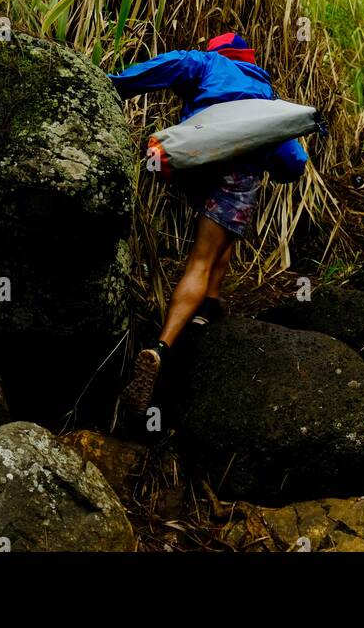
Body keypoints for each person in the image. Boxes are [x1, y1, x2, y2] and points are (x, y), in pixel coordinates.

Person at [108, 32, 309, 412]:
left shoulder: (204, 64)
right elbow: (292, 161)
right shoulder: (264, 95)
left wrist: (117, 85)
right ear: (248, 58)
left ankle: (211, 303)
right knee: (205, 254)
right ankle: (162, 347)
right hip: (238, 179)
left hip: (196, 169)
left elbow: (166, 67)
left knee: (221, 230)